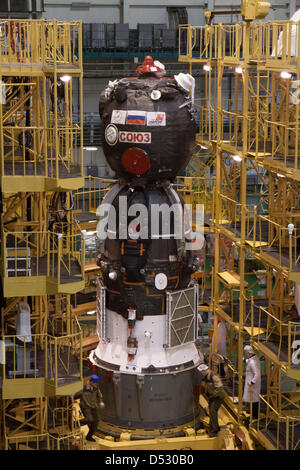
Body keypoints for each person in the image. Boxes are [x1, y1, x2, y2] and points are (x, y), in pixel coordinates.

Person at [198, 363, 226, 437]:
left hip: (218, 397)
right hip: (213, 397)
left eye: (201, 372)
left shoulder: (214, 376)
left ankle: (215, 430)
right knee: (211, 410)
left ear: (204, 370)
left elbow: (219, 388)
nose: (201, 373)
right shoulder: (207, 376)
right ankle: (213, 426)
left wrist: (213, 395)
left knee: (213, 411)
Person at [74, 374, 104, 442]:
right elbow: (75, 395)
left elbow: (99, 394)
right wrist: (70, 399)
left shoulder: (96, 387)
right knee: (90, 419)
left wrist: (101, 401)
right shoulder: (84, 388)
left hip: (93, 406)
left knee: (95, 423)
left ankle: (89, 437)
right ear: (91, 382)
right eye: (95, 383)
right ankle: (75, 423)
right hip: (85, 406)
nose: (96, 384)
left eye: (96, 383)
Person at [243, 345, 261, 420]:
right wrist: (244, 360)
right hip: (252, 382)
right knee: (253, 399)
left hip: (253, 384)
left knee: (254, 400)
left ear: (248, 353)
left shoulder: (253, 362)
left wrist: (252, 382)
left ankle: (255, 416)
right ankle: (253, 414)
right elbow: (249, 361)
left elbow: (257, 374)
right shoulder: (254, 358)